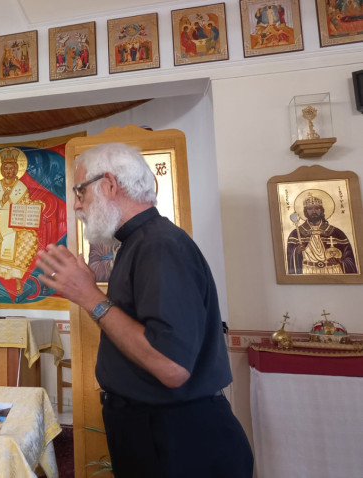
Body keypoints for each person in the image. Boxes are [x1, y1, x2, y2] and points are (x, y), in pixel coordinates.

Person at [36, 143, 252, 478]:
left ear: (110, 184)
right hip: (158, 432)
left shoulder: (159, 245)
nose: (76, 204)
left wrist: (90, 297)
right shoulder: (137, 243)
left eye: (80, 191)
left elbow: (171, 366)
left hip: (179, 442)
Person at [0, 147, 43, 294]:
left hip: (16, 227)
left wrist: (37, 205)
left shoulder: (22, 188)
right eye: (5, 168)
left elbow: (26, 206)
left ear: (16, 170)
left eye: (11, 168)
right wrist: (1, 202)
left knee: (31, 239)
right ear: (1, 170)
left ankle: (18, 277)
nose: (8, 171)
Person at [286, 192, 357, 275]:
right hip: (308, 271)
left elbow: (348, 256)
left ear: (322, 210)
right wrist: (297, 251)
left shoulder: (336, 233)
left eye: (317, 208)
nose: (313, 211)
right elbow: (289, 256)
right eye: (310, 209)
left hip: (333, 270)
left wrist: (339, 260)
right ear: (305, 212)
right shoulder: (296, 233)